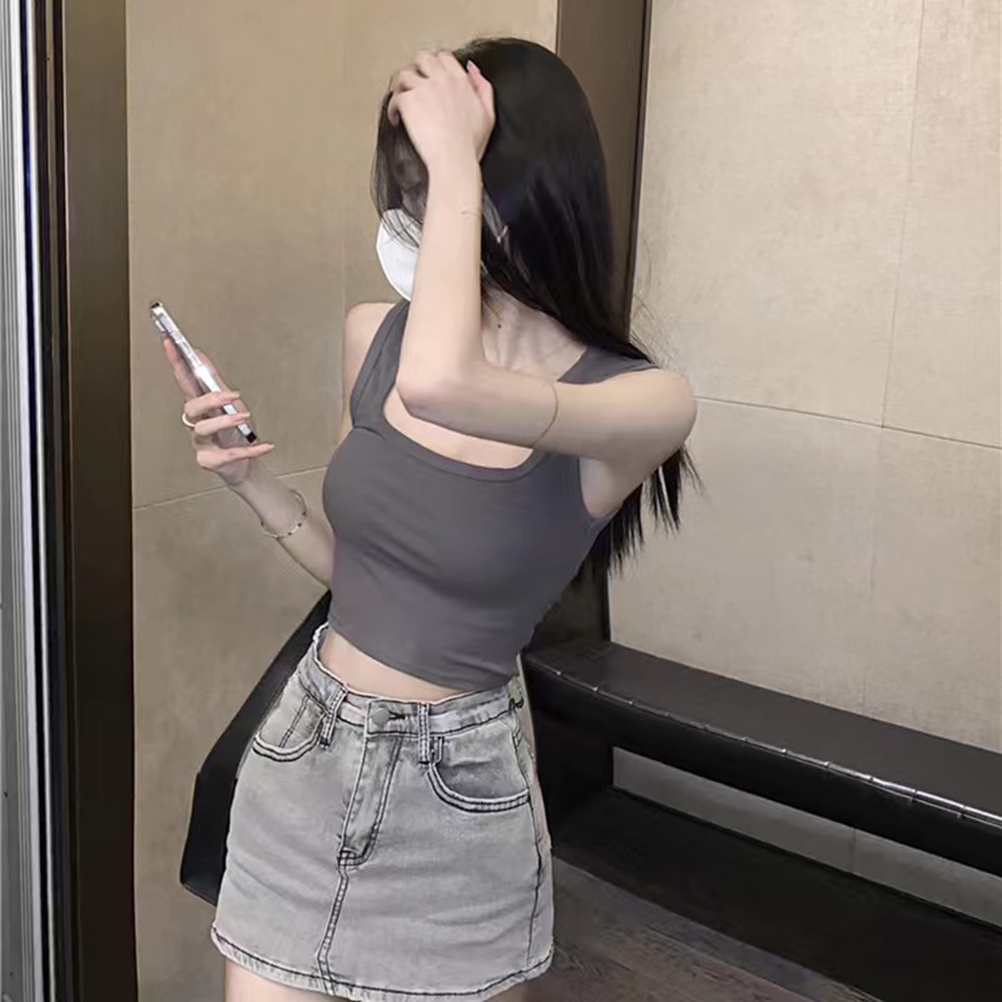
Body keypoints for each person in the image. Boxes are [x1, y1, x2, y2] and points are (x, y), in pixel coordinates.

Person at [162, 36, 698, 1002]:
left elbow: (447, 386)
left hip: (460, 793)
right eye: (409, 187)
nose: (415, 214)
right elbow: (357, 575)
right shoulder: (373, 335)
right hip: (306, 753)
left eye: (441, 182)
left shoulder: (642, 402)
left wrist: (456, 160)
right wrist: (252, 482)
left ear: (522, 190)